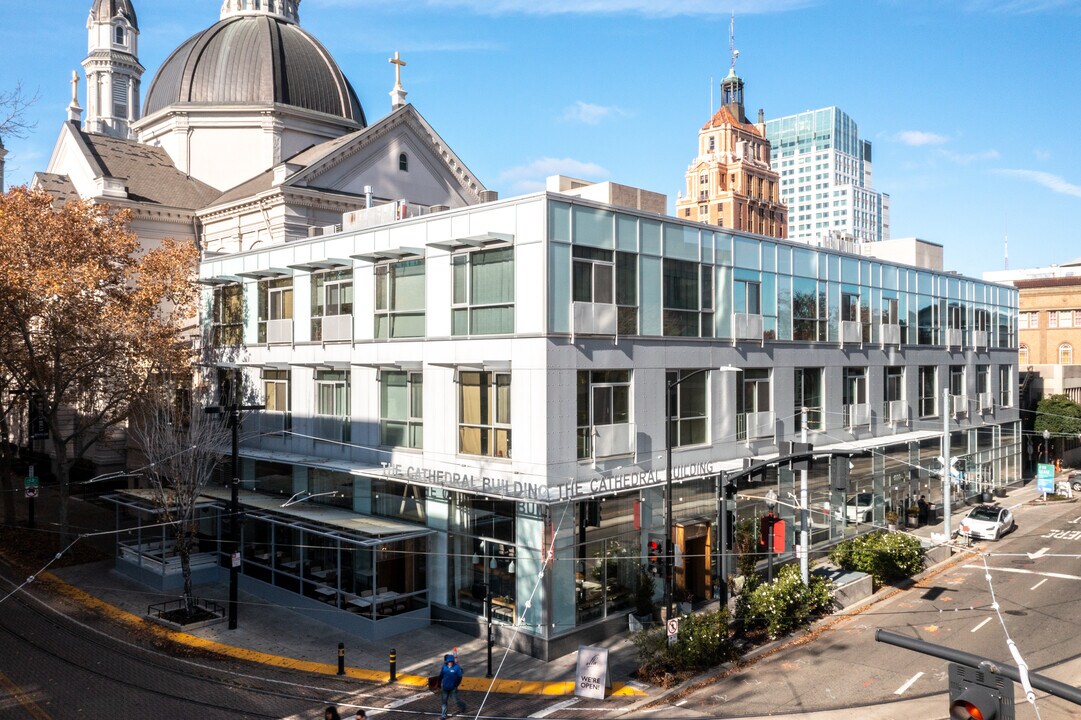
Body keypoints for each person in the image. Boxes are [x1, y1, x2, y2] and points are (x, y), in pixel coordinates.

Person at [437, 652, 466, 719]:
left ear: (453, 661)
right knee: (444, 702)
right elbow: (441, 676)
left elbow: (459, 677)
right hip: (445, 688)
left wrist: (456, 685)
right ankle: (443, 715)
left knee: (456, 701)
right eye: (449, 661)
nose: (450, 663)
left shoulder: (456, 667)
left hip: (453, 688)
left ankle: (462, 706)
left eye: (451, 661)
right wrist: (439, 684)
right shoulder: (444, 667)